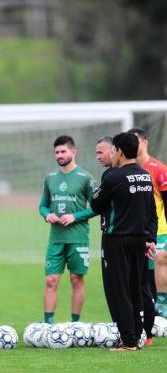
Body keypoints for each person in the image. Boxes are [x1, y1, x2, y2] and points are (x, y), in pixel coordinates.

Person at [91, 132, 157, 351]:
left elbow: (96, 204)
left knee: (118, 290)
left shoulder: (113, 177)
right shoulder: (145, 175)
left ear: (118, 151)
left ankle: (128, 341)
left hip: (116, 240)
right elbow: (152, 212)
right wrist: (151, 239)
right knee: (135, 289)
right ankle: (136, 336)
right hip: (141, 240)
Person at [39, 135, 96, 324]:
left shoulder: (85, 178)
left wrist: (75, 216)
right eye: (57, 152)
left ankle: (75, 324)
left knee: (76, 280)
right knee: (51, 281)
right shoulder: (50, 178)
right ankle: (48, 324)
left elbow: (96, 207)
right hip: (55, 239)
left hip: (78, 238)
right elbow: (43, 206)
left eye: (63, 151)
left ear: (73, 152)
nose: (60, 155)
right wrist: (47, 215)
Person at [128, 128, 167, 315]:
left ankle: (160, 307)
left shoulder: (159, 169)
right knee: (139, 275)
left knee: (154, 270)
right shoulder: (126, 170)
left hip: (158, 231)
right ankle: (145, 312)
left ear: (145, 142)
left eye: (136, 140)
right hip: (134, 232)